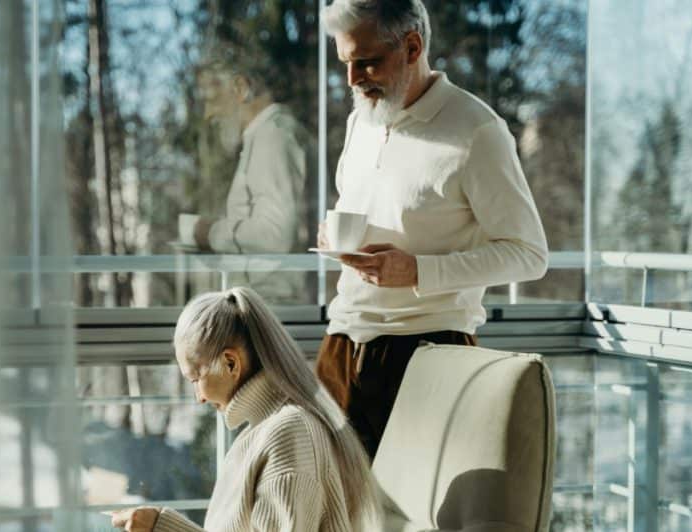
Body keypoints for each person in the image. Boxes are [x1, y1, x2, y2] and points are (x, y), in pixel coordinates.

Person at [316, 0, 549, 460]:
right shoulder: (362, 120)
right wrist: (334, 237)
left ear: (412, 46)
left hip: (426, 354)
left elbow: (529, 253)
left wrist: (418, 271)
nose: (352, 79)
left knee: (412, 524)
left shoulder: (477, 131)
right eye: (346, 63)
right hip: (340, 345)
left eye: (366, 62)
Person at [110, 287, 382, 532]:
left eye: (195, 379)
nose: (198, 398)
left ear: (230, 363)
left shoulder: (288, 437)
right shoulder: (267, 434)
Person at [190, 48, 314, 302]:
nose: (208, 114)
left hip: (273, 309)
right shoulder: (264, 137)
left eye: (212, 99)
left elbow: (274, 234)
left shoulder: (273, 137)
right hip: (265, 306)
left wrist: (211, 232)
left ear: (240, 88)